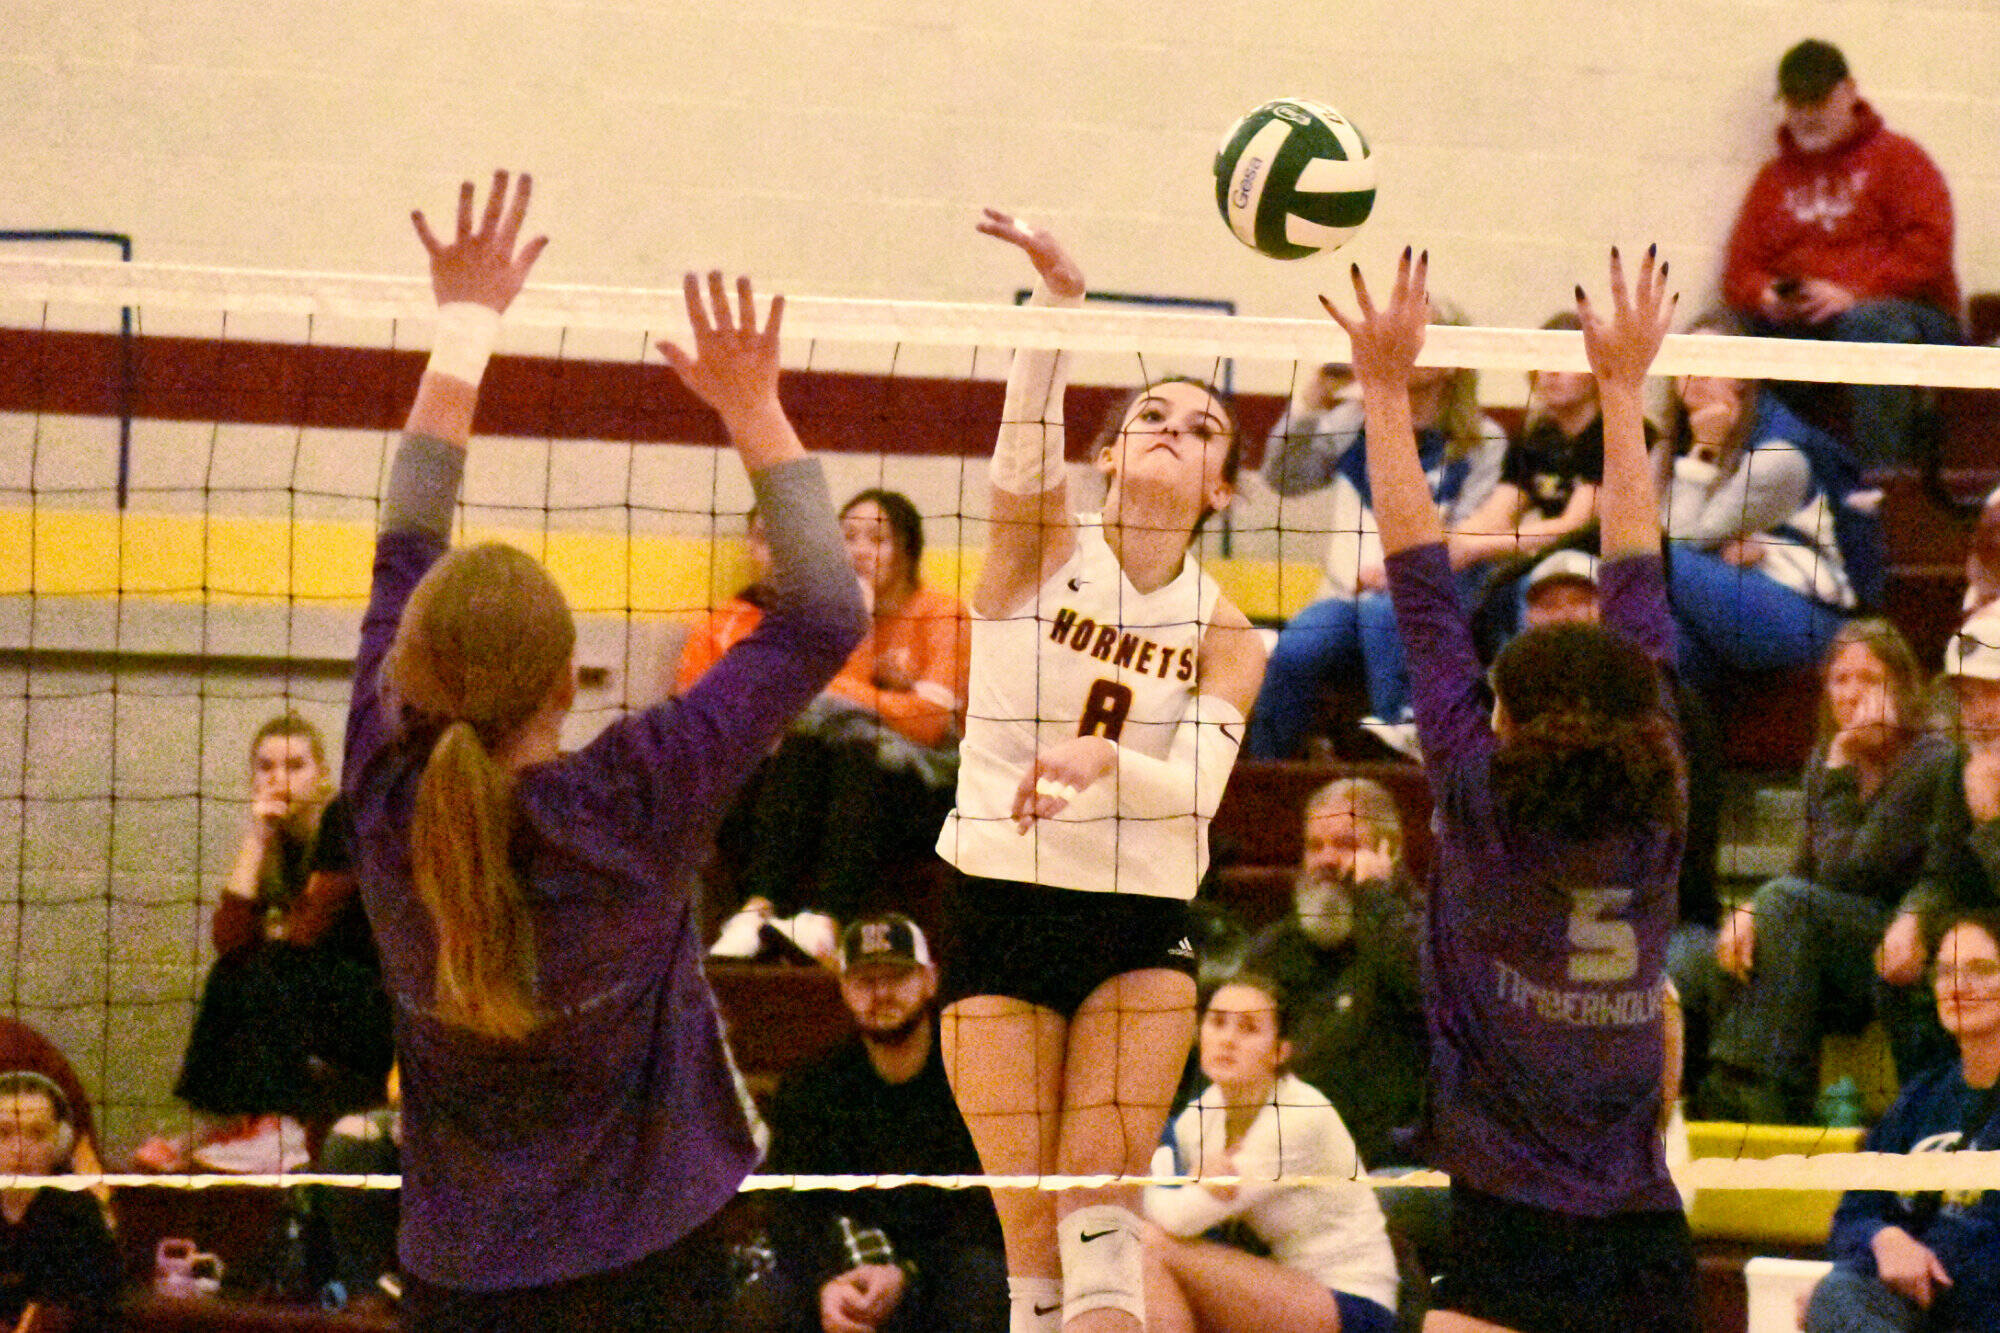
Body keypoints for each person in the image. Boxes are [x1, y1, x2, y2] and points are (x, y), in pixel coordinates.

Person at [341, 171, 866, 1330]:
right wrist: (751, 405)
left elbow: (402, 538)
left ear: (409, 674)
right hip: (654, 1256)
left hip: (458, 1273)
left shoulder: (379, 786)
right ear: (567, 683)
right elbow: (829, 609)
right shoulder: (635, 794)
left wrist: (464, 325)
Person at [1325, 246, 1695, 1332]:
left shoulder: (1475, 793)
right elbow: (1634, 566)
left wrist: (1385, 393)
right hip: (1643, 1235)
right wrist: (1625, 391)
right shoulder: (1659, 785)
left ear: (1503, 720)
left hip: (1512, 1223)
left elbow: (1420, 585)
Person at [935, 209, 1267, 1333]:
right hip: (996, 895)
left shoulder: (1229, 635)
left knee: (1103, 1240)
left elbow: (1202, 790)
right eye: (1151, 416)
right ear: (1111, 454)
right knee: (1032, 1258)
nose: (1177, 429)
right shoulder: (1040, 549)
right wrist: (1059, 309)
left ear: (1221, 485)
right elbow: (1019, 444)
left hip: (1135, 916)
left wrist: (1103, 757)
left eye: (1205, 425)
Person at [1681, 619, 1953, 1122]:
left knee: (1785, 905)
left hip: (1896, 940)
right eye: (1840, 679)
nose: (1852, 694)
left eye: (1870, 679)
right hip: (1826, 940)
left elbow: (1852, 870)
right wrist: (1746, 908)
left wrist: (1840, 769)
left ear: (1903, 686)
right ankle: (1705, 1096)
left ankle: (1759, 1091)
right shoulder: (1827, 762)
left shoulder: (1930, 760)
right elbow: (1803, 868)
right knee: (1699, 960)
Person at [1251, 303, 1506, 760]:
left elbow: (1468, 535)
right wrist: (1312, 398)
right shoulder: (1356, 421)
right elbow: (1283, 477)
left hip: (1441, 597)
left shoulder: (1481, 441)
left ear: (1449, 362)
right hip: (1354, 596)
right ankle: (1269, 771)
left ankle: (1408, 747)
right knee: (1297, 648)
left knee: (1385, 616)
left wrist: (1399, 573)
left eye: (1415, 337)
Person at [744, 914, 1005, 1333]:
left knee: (982, 1281)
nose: (881, 993)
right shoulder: (812, 1086)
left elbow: (992, 1212)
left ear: (930, 981)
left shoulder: (981, 1079)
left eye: (897, 977)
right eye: (865, 980)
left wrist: (909, 1274)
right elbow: (790, 1208)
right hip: (842, 1267)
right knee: (763, 1304)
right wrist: (826, 1283)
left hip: (942, 1270)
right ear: (845, 988)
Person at [727, 488, 970, 925]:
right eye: (848, 538)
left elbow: (931, 724)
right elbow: (828, 718)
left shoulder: (941, 613)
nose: (859, 551)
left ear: (907, 551)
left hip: (934, 787)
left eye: (877, 540)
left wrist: (842, 687)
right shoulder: (838, 614)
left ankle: (830, 918)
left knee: (855, 754)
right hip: (849, 777)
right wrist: (856, 620)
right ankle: (757, 909)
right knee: (803, 748)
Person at [1722, 38, 1961, 466]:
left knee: (1869, 323)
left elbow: (1929, 251)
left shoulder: (1900, 160)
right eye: (1797, 102)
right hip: (1813, 323)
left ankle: (1883, 485)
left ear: (1849, 92)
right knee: (1728, 332)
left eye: (1818, 99)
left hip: (1909, 316)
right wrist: (1769, 295)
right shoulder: (1773, 180)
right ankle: (1761, 473)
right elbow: (1740, 270)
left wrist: (1854, 293)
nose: (1807, 114)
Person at [173, 713, 391, 1167]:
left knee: (267, 970)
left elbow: (304, 934)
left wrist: (274, 936)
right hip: (310, 996)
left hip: (370, 1005)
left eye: (295, 766)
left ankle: (279, 1123)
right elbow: (231, 942)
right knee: (235, 971)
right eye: (266, 767)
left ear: (322, 774)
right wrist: (256, 836)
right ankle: (253, 1119)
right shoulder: (275, 847)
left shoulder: (341, 823)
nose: (279, 779)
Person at [1141, 974, 1400, 1333]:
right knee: (1144, 1251)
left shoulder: (1299, 1115)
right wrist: (1186, 1185)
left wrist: (1153, 1193)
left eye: (1248, 1028)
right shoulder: (1196, 1120)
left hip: (1354, 1305)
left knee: (1146, 1244)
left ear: (1280, 1051)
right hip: (1276, 1286)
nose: (1228, 1039)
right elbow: (1186, 1221)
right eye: (1217, 1022)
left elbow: (1176, 1220)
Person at [1802, 909, 2000, 1333]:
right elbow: (1850, 1217)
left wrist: (1915, 1261)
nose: (1958, 987)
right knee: (1837, 1295)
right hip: (1911, 1318)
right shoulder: (1921, 1097)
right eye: (1945, 972)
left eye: (1981, 970)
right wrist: (1883, 1239)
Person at [1656, 308, 1860, 695]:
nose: (1695, 375)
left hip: (1807, 614)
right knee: (1668, 639)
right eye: (1684, 362)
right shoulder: (1664, 449)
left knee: (1659, 564)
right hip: (1726, 599)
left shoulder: (1779, 455)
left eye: (1712, 364)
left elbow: (1677, 543)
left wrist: (1705, 451)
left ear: (1744, 377)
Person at [1239, 777, 1425, 1170]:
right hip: (1287, 1159)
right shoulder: (1276, 947)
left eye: (1345, 845)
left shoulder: (1425, 932)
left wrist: (1375, 896)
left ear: (1388, 851)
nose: (1325, 859)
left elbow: (1424, 989)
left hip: (1392, 1163)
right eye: (1314, 846)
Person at [1453, 313, 1619, 657]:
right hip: (1546, 556)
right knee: (1445, 578)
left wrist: (1475, 548)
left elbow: (1574, 526)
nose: (1550, 372)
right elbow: (1494, 518)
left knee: (1526, 586)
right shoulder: (1536, 439)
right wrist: (1442, 548)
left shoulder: (1618, 434)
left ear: (1598, 372)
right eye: (1543, 362)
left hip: (1598, 558)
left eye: (1565, 362)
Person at [0, 1071, 120, 1332]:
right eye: (4, 1133)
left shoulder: (79, 1213)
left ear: (60, 1141)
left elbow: (100, 1314)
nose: (19, 1149)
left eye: (37, 1134)